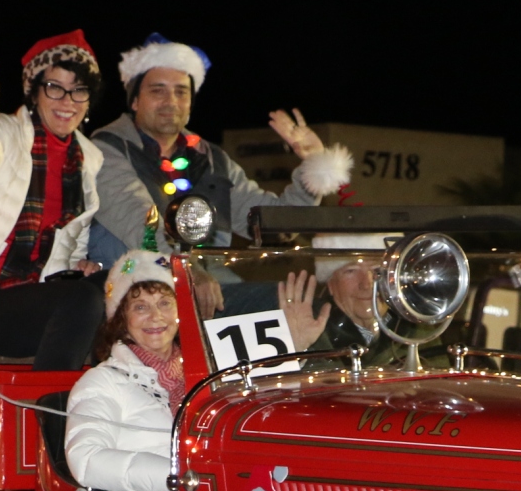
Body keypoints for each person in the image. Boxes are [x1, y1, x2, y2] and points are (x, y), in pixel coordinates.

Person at [87, 34, 351, 316]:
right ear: (135, 100)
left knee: (303, 305)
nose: (171, 101)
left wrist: (314, 167)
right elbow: (140, 224)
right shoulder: (106, 149)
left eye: (181, 91)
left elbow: (272, 222)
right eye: (157, 90)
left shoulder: (212, 159)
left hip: (209, 287)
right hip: (134, 290)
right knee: (287, 306)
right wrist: (189, 272)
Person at [0, 31, 106, 369]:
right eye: (55, 88)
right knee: (84, 300)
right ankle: (54, 409)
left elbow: (70, 248)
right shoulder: (4, 133)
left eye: (78, 90)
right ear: (34, 92)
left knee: (124, 283)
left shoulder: (87, 158)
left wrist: (79, 268)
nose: (68, 101)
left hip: (35, 295)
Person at [64, 252, 183, 491]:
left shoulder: (206, 372)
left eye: (165, 303)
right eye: (140, 306)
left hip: (205, 489)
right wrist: (174, 475)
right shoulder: (102, 381)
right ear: (121, 318)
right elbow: (85, 459)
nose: (155, 316)